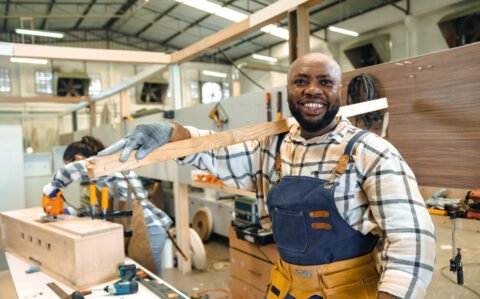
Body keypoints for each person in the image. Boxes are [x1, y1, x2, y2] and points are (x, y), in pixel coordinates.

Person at [99, 53, 435, 299]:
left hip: (351, 292)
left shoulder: (372, 152)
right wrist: (169, 132)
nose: (312, 91)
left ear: (339, 90)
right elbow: (213, 150)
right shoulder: (272, 147)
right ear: (288, 90)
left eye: (324, 82)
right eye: (301, 82)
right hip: (286, 287)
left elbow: (412, 243)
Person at [43, 136, 172, 278]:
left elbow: (68, 171)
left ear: (79, 158)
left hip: (149, 230)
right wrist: (73, 211)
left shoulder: (108, 167)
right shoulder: (103, 177)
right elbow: (102, 209)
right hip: (135, 229)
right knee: (140, 277)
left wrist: (52, 187)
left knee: (152, 280)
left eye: (67, 162)